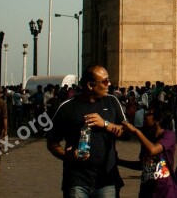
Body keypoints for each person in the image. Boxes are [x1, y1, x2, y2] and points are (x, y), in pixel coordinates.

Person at [47, 65, 128, 197]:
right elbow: (52, 141)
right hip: (76, 180)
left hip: (106, 180)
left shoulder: (112, 102)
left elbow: (127, 133)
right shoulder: (67, 107)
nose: (109, 84)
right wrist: (66, 156)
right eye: (105, 81)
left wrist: (105, 124)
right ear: (90, 85)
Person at [119, 106, 177, 197]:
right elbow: (144, 165)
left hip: (165, 191)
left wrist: (137, 132)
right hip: (147, 190)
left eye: (149, 114)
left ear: (158, 119)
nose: (145, 116)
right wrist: (119, 161)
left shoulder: (169, 136)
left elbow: (153, 150)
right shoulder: (147, 137)